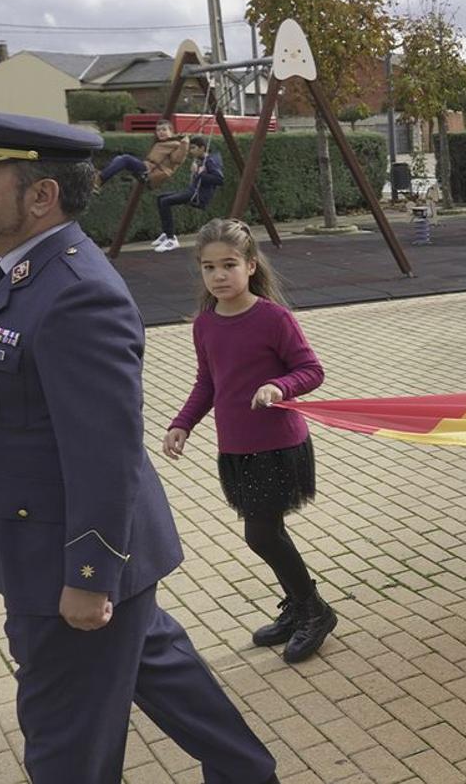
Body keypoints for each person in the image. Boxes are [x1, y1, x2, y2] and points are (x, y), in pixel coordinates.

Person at [0, 108, 280, 784]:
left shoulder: (75, 294)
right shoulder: (25, 272)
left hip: (68, 567)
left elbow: (106, 450)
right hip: (53, 549)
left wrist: (88, 578)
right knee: (158, 666)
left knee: (66, 749)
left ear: (42, 195)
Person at [163, 219, 334, 664]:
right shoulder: (204, 324)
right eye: (208, 267)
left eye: (229, 265)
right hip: (235, 448)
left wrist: (280, 387)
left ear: (251, 266)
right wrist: (182, 423)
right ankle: (300, 607)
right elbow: (208, 383)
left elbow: (311, 370)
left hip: (278, 446)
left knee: (261, 533)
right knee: (266, 532)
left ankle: (314, 611)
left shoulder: (274, 318)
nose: (219, 276)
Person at [154, 136, 224, 253]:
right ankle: (167, 234)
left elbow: (219, 179)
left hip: (199, 196)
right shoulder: (201, 159)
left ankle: (171, 240)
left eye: (193, 148)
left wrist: (199, 173)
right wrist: (196, 172)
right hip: (191, 191)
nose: (191, 151)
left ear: (202, 148)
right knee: (161, 198)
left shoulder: (210, 161)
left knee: (165, 202)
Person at [94, 119, 189, 196]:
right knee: (119, 159)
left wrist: (184, 143)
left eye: (164, 130)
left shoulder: (175, 144)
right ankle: (98, 183)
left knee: (125, 159)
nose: (161, 132)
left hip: (151, 172)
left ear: (171, 132)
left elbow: (177, 160)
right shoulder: (163, 142)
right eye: (158, 130)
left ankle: (99, 178)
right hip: (147, 167)